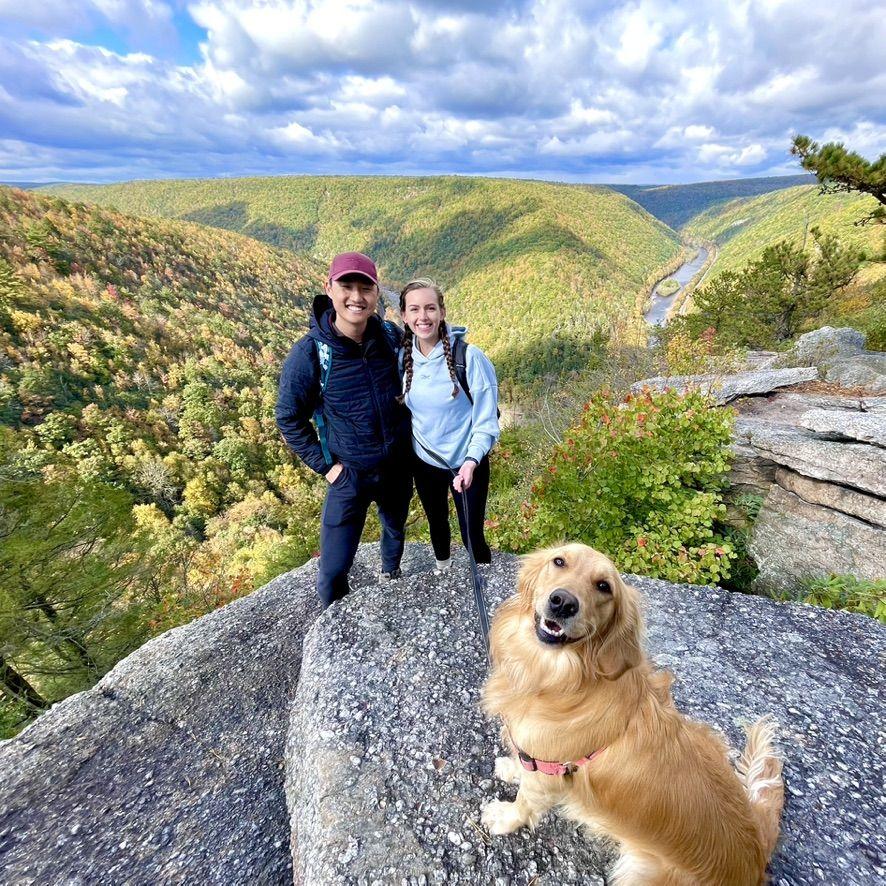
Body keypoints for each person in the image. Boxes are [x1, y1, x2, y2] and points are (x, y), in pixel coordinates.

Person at [275, 252, 412, 607]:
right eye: (346, 286)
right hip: (349, 472)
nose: (356, 296)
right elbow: (289, 417)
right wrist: (329, 468)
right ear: (329, 289)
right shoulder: (309, 354)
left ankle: (390, 574)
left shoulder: (387, 335)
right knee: (335, 564)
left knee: (395, 531)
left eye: (365, 288)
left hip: (396, 465)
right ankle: (332, 620)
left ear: (376, 293)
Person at [399, 278, 500, 572]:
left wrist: (470, 462)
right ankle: (444, 571)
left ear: (442, 311)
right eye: (414, 309)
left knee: (471, 534)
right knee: (437, 525)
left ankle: (484, 581)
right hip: (426, 462)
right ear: (404, 316)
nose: (423, 317)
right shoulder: (402, 359)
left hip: (467, 463)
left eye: (430, 308)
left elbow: (486, 421)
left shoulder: (469, 358)